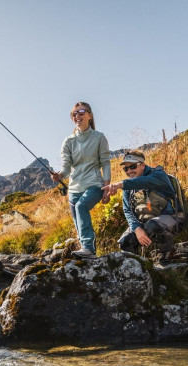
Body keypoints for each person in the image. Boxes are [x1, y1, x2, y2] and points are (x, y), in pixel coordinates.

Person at [50, 102, 112, 259]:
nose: (77, 116)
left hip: (94, 184)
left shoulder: (99, 138)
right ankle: (89, 252)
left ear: (90, 115)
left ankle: (87, 248)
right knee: (77, 219)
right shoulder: (68, 141)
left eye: (81, 112)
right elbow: (66, 167)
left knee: (81, 206)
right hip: (74, 188)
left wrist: (107, 187)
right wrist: (60, 176)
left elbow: (105, 163)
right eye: (74, 114)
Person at [102, 150, 179, 260]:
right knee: (125, 241)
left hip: (170, 218)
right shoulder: (128, 186)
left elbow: (144, 181)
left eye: (133, 167)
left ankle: (166, 258)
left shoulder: (159, 175)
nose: (129, 171)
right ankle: (138, 266)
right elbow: (127, 210)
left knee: (153, 226)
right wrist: (136, 228)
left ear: (142, 165)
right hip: (143, 222)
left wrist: (120, 184)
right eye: (126, 169)